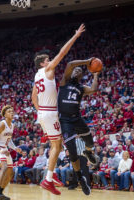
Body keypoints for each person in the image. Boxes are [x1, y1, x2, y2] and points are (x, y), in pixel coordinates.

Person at [32, 24, 85, 195]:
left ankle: (52, 174)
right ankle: (47, 180)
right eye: (47, 60)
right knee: (56, 146)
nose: (50, 61)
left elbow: (33, 98)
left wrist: (41, 112)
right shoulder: (46, 69)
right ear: (43, 63)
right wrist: (75, 36)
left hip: (42, 113)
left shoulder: (36, 75)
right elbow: (62, 53)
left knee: (58, 145)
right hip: (49, 112)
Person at [57, 57, 100, 195]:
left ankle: (88, 152)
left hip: (77, 119)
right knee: (73, 152)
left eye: (79, 71)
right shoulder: (64, 82)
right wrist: (86, 61)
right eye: (75, 70)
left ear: (81, 75)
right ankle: (80, 178)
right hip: (65, 121)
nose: (76, 71)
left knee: (89, 140)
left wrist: (95, 74)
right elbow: (70, 64)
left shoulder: (81, 88)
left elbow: (93, 89)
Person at [0, 105, 22, 200]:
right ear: (4, 115)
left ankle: (0, 193)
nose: (12, 113)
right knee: (4, 167)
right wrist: (0, 150)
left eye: (12, 111)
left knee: (10, 173)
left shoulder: (12, 125)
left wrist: (15, 148)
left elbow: (9, 140)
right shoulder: (1, 124)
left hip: (4, 149)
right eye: (9, 112)